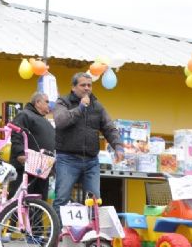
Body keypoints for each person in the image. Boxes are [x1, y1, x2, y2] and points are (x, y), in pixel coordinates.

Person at [52, 72, 123, 210]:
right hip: (67, 160)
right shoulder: (62, 102)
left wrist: (118, 146)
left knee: (95, 201)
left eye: (89, 85)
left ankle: (91, 231)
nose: (87, 88)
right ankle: (58, 231)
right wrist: (80, 108)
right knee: (61, 199)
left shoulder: (97, 106)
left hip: (91, 161)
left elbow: (109, 127)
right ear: (73, 87)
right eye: (83, 85)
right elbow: (61, 121)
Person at [8, 92, 55, 199]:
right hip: (25, 166)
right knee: (19, 202)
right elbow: (16, 134)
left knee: (39, 201)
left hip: (42, 169)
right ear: (38, 102)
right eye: (47, 102)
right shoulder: (25, 115)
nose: (49, 105)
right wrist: (20, 153)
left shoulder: (46, 122)